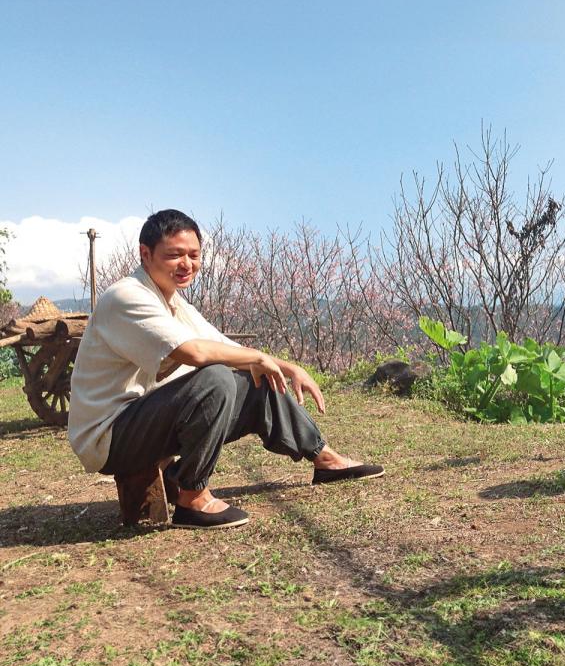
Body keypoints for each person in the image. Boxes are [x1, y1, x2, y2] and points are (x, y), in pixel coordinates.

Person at [68, 209, 383, 529]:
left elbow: (224, 346)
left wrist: (288, 367)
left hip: (142, 420)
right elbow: (193, 351)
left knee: (251, 376)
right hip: (109, 436)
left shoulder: (173, 302)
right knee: (216, 378)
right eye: (174, 255)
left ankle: (324, 458)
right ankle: (192, 496)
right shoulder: (127, 296)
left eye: (193, 255)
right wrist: (256, 360)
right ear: (145, 254)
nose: (186, 264)